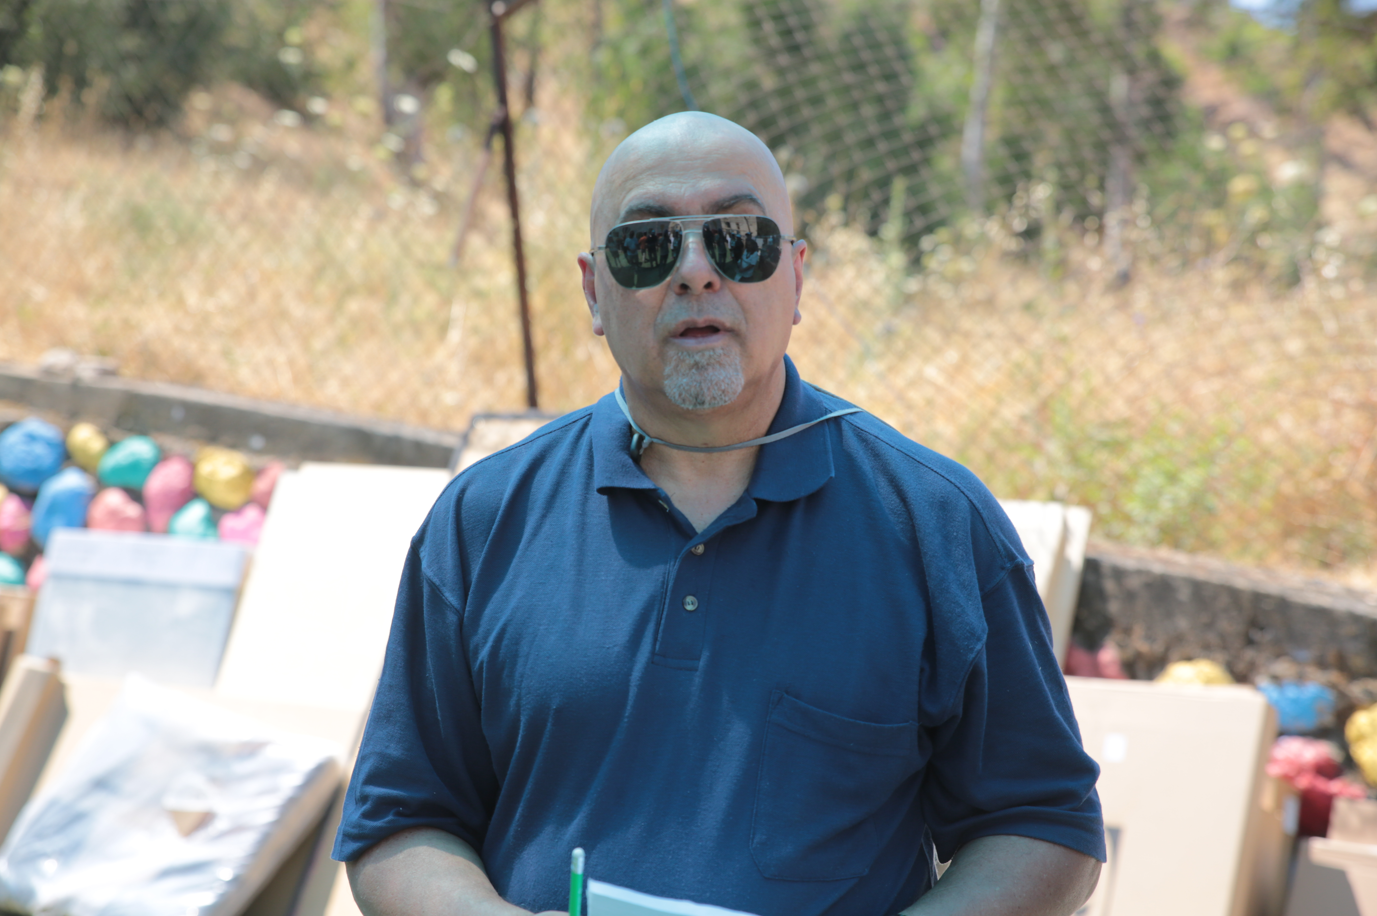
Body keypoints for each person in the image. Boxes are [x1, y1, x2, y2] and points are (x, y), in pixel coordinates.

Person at [334, 111, 1105, 916]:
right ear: (595, 291)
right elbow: (400, 822)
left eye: (738, 240)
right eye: (647, 246)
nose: (696, 274)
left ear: (795, 278)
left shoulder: (935, 525)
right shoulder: (483, 520)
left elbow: (1045, 826)